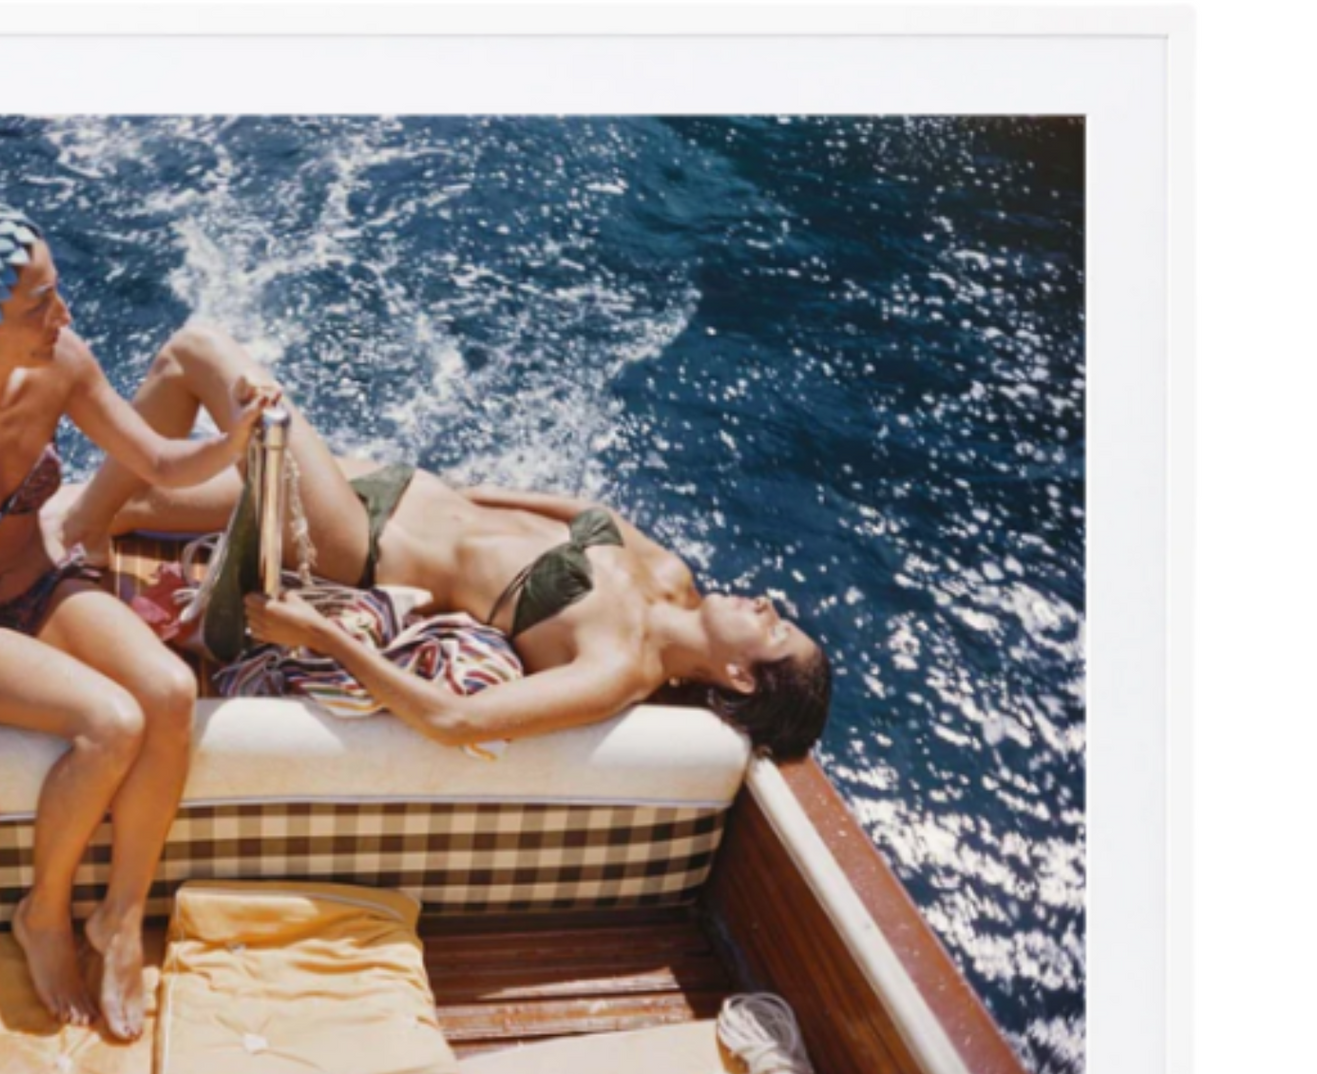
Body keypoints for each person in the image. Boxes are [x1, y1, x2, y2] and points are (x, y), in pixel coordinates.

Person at [0, 189, 273, 1041]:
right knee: (110, 721)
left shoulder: (59, 362)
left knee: (170, 693)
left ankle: (119, 917)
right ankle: (43, 913)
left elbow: (158, 462)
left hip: (41, 587)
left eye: (55, 291)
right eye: (40, 303)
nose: (64, 315)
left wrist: (234, 440)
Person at [55, 321, 832, 761]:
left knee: (194, 355)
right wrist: (456, 489)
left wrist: (323, 635)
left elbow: (455, 722)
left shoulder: (618, 667)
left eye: (774, 630)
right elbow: (581, 509)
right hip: (394, 485)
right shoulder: (670, 573)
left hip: (354, 540)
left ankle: (81, 534)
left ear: (738, 678)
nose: (766, 606)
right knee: (139, 499)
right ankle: (71, 528)